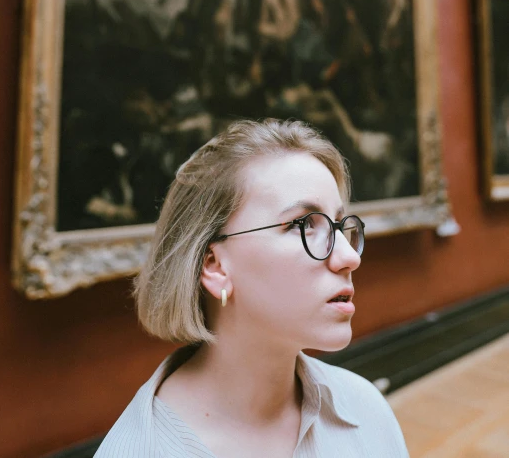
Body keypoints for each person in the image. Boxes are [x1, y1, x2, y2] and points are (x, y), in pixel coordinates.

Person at [95, 118, 409, 457]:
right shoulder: (140, 450)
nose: (349, 257)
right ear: (214, 266)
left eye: (339, 225)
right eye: (303, 224)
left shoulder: (364, 410)